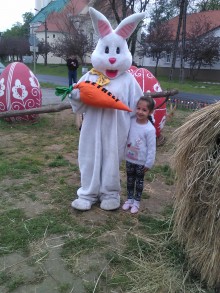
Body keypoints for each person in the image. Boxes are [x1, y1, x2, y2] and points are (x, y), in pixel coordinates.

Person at [122, 96, 156, 214]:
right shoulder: (130, 122)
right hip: (129, 159)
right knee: (130, 180)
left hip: (141, 162)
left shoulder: (150, 130)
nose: (140, 112)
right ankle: (129, 199)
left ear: (150, 112)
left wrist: (149, 163)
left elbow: (152, 148)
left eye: (144, 110)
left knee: (139, 182)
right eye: (138, 108)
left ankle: (136, 202)